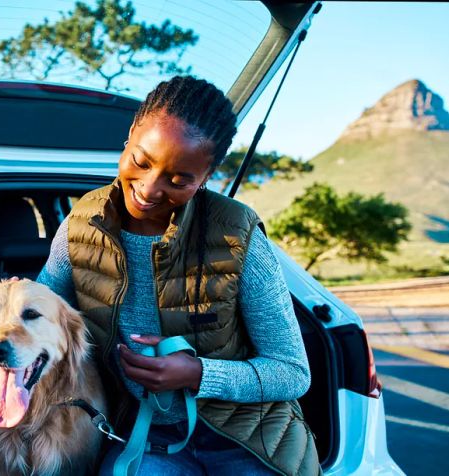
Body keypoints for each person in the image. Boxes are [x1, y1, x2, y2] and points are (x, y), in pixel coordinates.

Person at [37, 76, 321, 476]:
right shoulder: (81, 225)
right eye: (141, 160)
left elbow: (292, 372)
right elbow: (37, 318)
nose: (150, 189)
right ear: (130, 136)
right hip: (143, 434)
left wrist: (197, 374)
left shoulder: (237, 234)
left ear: (205, 178)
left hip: (246, 438)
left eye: (179, 180)